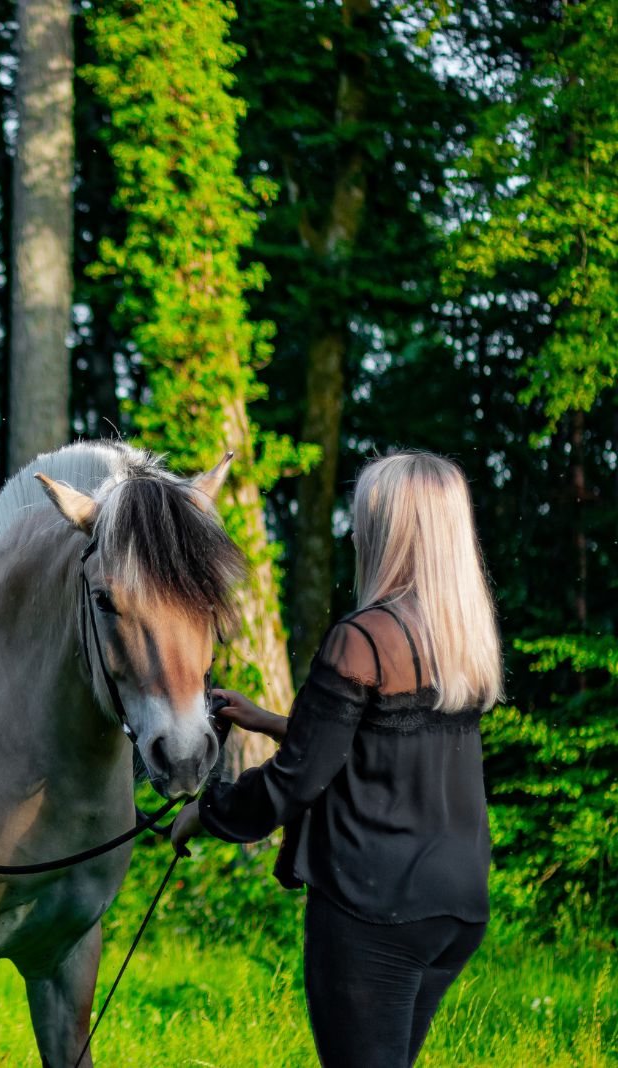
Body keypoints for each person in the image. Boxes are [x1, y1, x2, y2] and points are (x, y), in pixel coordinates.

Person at [170, 451, 502, 1068]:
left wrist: (206, 813)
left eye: (365, 519)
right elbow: (373, 745)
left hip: (375, 906)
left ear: (389, 531)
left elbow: (294, 781)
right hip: (455, 905)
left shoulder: (364, 636)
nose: (354, 532)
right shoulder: (461, 636)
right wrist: (267, 720)